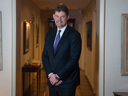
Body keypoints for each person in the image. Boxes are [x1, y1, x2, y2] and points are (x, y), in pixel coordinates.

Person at [42, 4, 81, 96]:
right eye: (57, 16)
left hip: (67, 82)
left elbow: (73, 59)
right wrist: (51, 75)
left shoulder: (74, 35)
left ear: (67, 17)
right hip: (52, 82)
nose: (59, 19)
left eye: (62, 16)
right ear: (53, 16)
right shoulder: (49, 35)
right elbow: (45, 56)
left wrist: (57, 77)